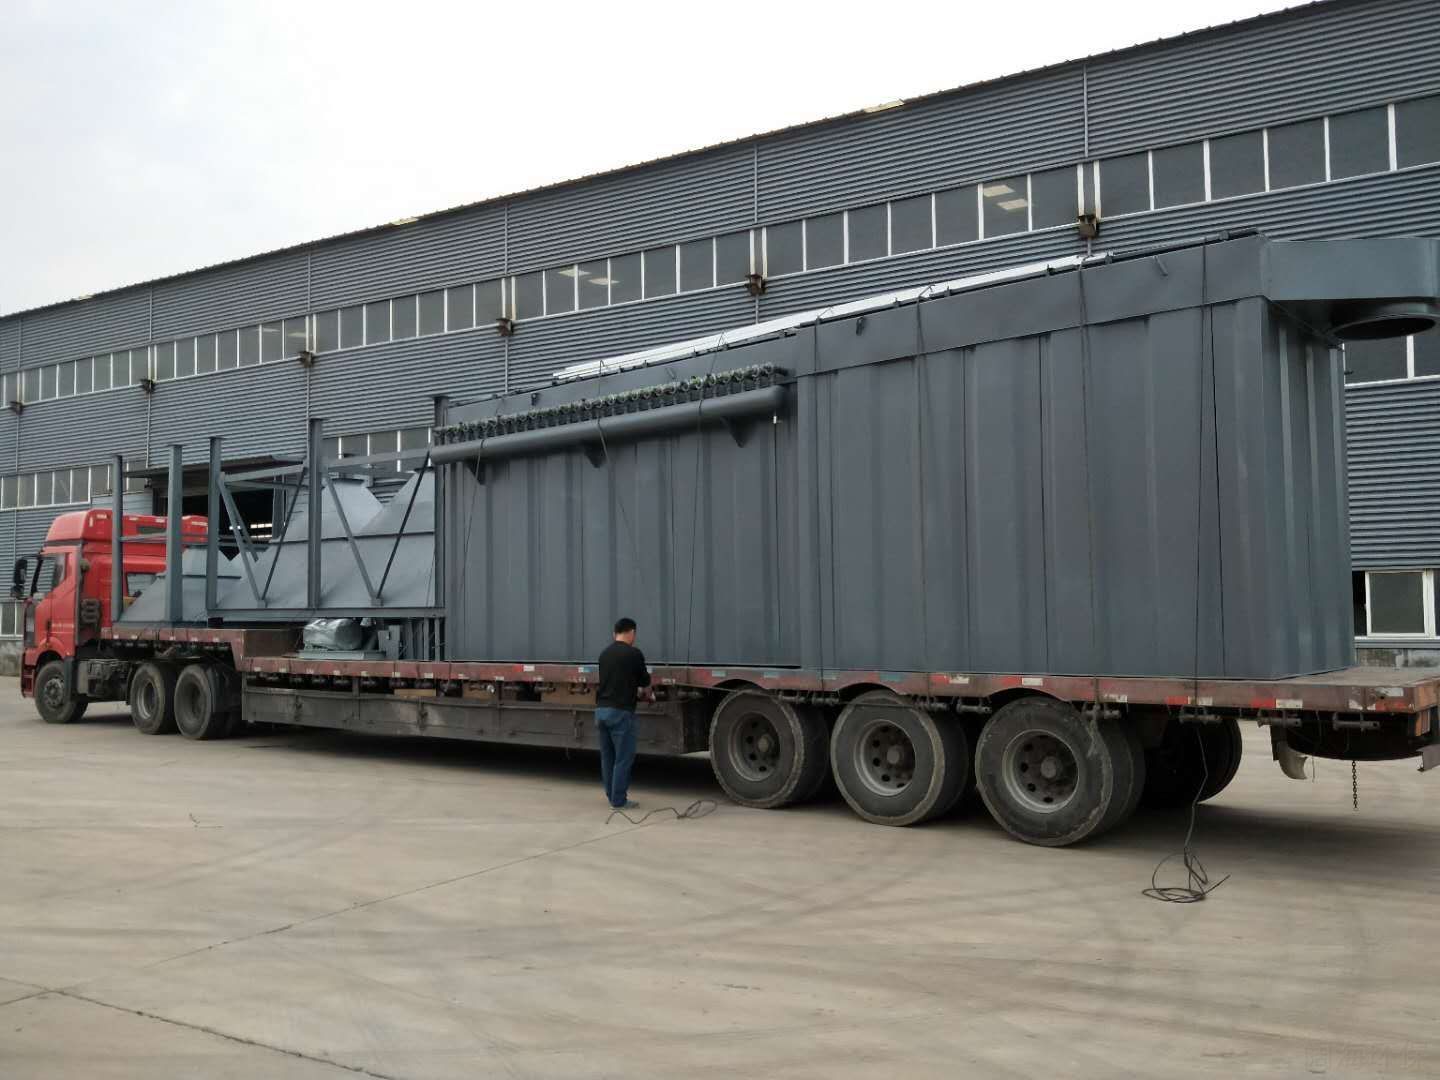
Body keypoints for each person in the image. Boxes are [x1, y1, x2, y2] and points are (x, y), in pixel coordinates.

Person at [595, 616, 651, 810]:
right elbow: (644, 681)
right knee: (623, 758)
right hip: (620, 712)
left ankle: (611, 795)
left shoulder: (604, 654)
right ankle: (619, 800)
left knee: (607, 757)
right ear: (632, 633)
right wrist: (647, 693)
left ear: (615, 633)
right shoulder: (634, 654)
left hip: (601, 711)